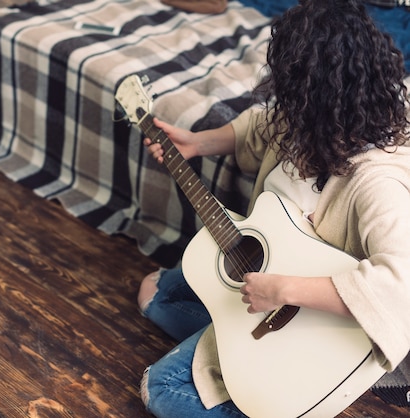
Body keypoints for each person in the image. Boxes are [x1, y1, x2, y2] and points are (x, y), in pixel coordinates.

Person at [137, 0, 410, 416]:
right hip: (263, 288)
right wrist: (198, 143)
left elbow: (401, 288)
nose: (282, 100)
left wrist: (285, 290)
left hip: (309, 310)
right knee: (153, 295)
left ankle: (275, 373)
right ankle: (241, 349)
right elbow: (260, 124)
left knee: (163, 390)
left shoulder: (377, 183)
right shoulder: (310, 121)